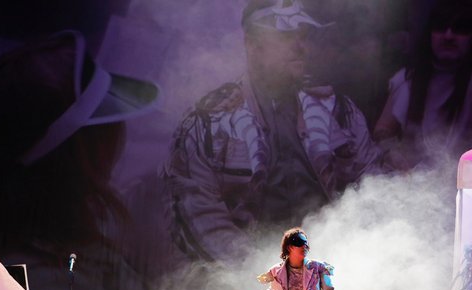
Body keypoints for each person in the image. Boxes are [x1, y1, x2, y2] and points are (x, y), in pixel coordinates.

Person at [0, 31, 159, 290]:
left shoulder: (50, 235)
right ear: (78, 155)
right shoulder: (42, 289)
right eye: (105, 128)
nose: (121, 139)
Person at [163, 0, 385, 263]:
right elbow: (198, 218)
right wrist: (256, 272)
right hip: (245, 277)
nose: (300, 46)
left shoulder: (340, 113)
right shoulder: (206, 123)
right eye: (285, 35)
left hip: (333, 268)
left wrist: (350, 258)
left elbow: (373, 189)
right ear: (252, 44)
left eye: (303, 35)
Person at [373, 0, 472, 168]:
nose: (448, 36)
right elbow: (383, 129)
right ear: (429, 35)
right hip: (412, 178)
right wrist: (391, 152)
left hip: (468, 177)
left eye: (459, 29)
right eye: (440, 28)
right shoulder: (406, 79)